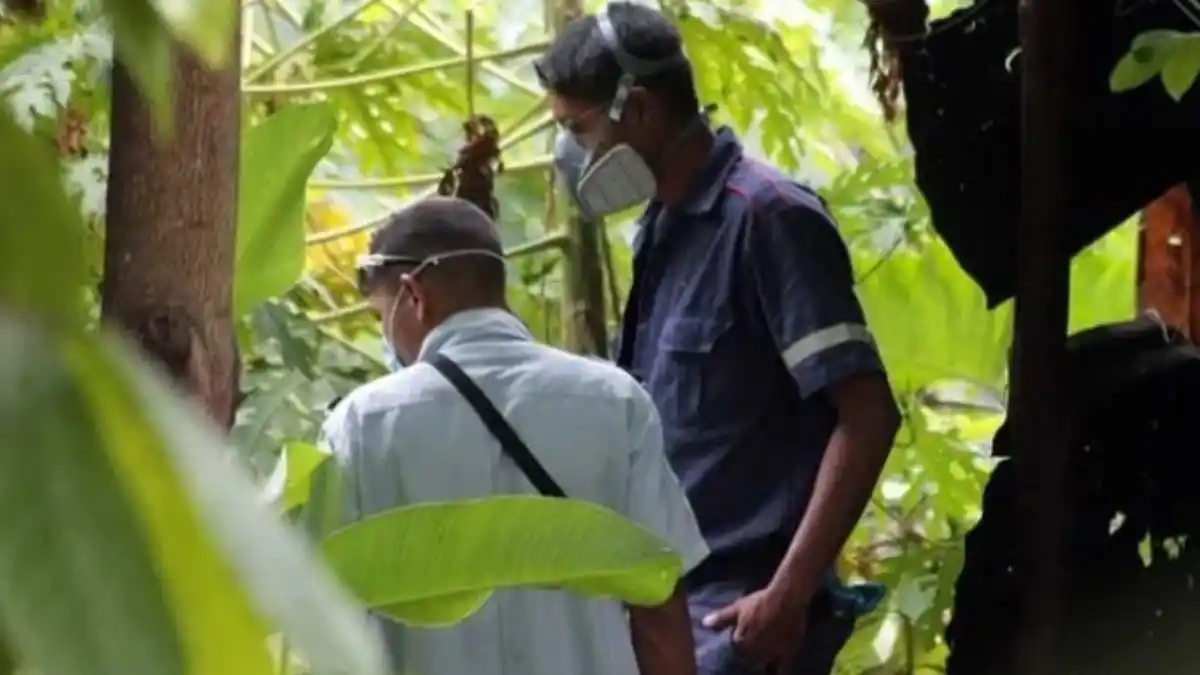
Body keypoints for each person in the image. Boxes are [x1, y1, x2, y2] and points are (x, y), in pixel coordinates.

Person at [538, 4, 902, 675]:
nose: (569, 154)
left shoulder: (769, 218)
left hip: (745, 624)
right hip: (677, 614)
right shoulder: (663, 227)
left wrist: (787, 595)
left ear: (639, 109)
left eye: (577, 128)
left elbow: (868, 412)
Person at [319, 195, 708, 675]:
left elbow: (330, 621)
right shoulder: (614, 401)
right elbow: (659, 610)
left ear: (413, 296)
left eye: (383, 315)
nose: (386, 333)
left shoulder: (361, 424)